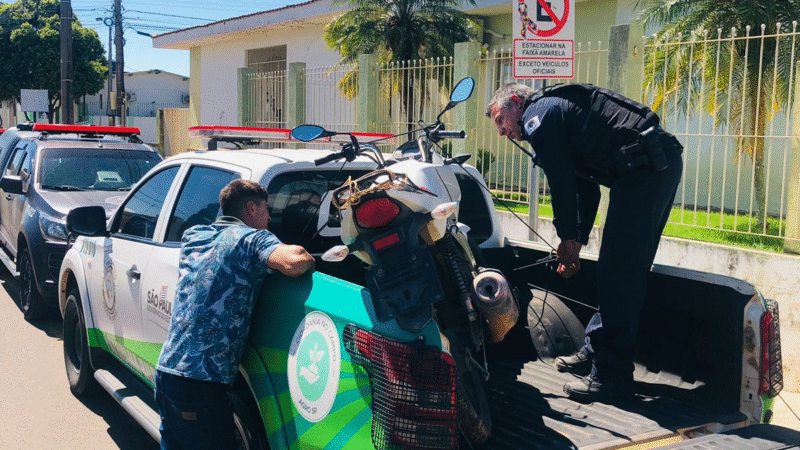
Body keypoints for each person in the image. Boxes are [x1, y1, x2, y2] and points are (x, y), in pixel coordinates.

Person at [486, 83, 683, 402]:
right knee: (616, 269)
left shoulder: (539, 115)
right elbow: (586, 190)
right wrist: (575, 241)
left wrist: (567, 239)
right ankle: (596, 349)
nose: (501, 131)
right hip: (646, 167)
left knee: (620, 272)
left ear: (516, 102)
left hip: (646, 169)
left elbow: (561, 184)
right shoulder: (552, 113)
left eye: (500, 120)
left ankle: (612, 377)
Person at [155, 179, 315, 449]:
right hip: (202, 383)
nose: (269, 219)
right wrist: (313, 260)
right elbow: (294, 262)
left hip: (166, 373)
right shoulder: (252, 239)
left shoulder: (194, 235)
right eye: (266, 210)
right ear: (251, 208)